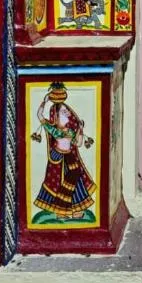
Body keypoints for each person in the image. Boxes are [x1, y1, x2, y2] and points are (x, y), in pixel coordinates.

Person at [32, 82, 96, 218]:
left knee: (76, 180)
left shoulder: (70, 131)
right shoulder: (53, 129)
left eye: (67, 111)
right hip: (58, 157)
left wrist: (80, 129)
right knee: (60, 182)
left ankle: (75, 210)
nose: (67, 113)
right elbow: (39, 115)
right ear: (56, 116)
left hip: (70, 157)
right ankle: (61, 211)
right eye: (63, 112)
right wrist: (44, 101)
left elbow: (78, 143)